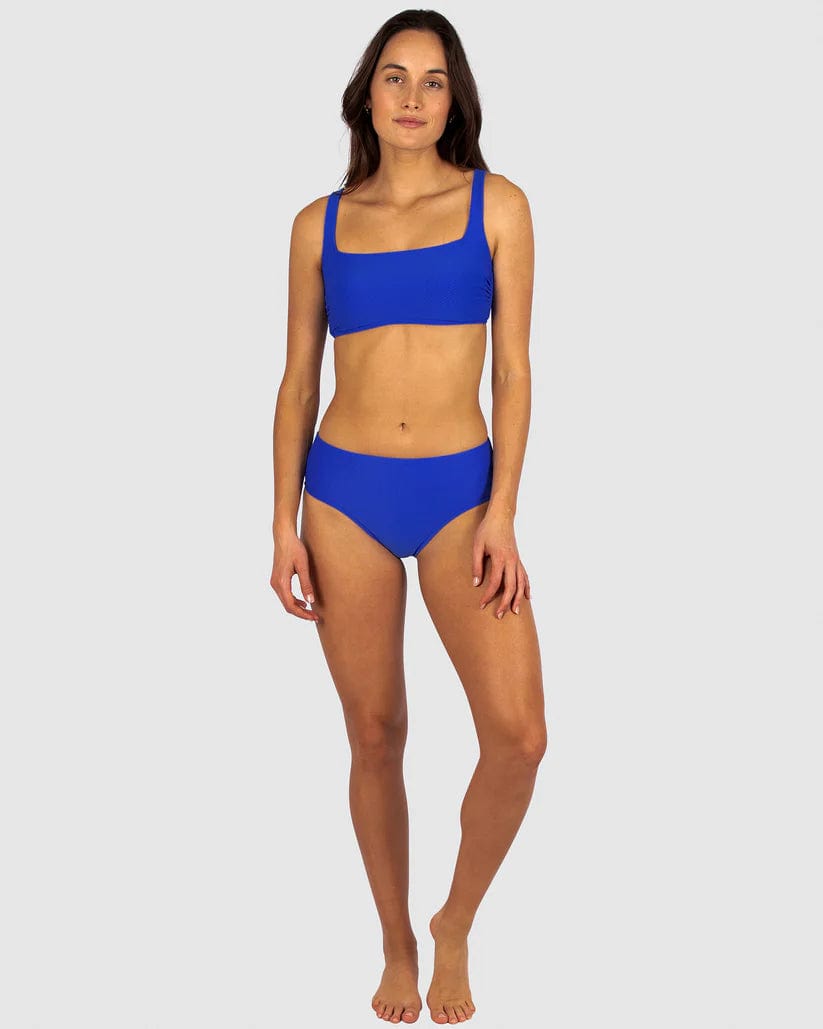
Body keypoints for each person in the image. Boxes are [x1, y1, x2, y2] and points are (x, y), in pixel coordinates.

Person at [270, 9, 547, 1025]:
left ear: (453, 98)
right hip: (342, 495)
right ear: (367, 95)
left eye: (433, 80)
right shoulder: (319, 223)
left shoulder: (497, 205)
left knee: (518, 736)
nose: (413, 97)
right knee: (375, 731)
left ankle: (453, 921)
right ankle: (394, 939)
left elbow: (513, 372)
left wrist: (502, 511)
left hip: (460, 498)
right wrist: (282, 522)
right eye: (394, 76)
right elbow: (298, 381)